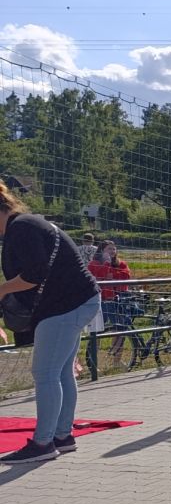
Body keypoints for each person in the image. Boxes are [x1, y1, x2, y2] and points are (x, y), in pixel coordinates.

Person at [0, 184, 102, 465]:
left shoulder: (21, 229)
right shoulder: (26, 224)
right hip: (78, 301)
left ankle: (43, 442)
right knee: (61, 373)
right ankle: (62, 436)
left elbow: (34, 274)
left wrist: (2, 290)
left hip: (64, 306)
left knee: (45, 373)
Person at [88, 240, 133, 353]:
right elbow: (98, 276)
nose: (112, 251)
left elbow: (126, 275)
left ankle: (116, 358)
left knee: (119, 329)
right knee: (96, 331)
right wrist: (107, 264)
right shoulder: (93, 263)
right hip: (100, 301)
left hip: (116, 301)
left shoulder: (121, 263)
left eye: (114, 249)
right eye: (109, 249)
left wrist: (112, 275)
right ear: (101, 250)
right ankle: (94, 358)